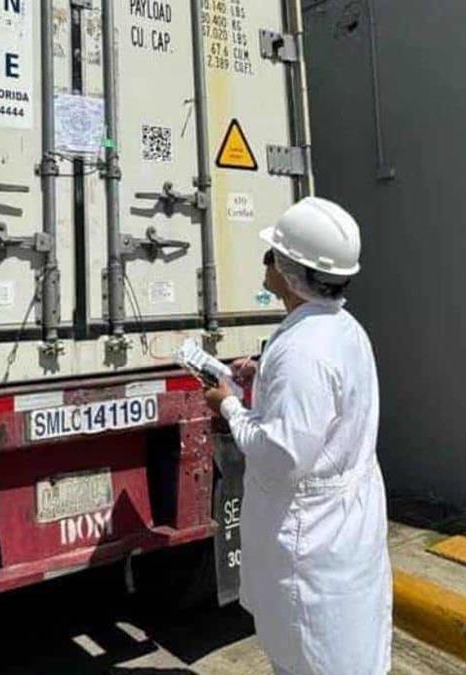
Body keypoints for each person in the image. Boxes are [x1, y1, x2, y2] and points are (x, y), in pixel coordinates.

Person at [202, 197, 392, 675]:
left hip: (311, 541)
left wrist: (228, 405)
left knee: (311, 659)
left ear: (289, 272)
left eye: (272, 255)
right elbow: (325, 403)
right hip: (344, 532)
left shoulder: (302, 352)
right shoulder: (342, 329)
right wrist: (265, 376)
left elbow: (281, 458)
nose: (266, 262)